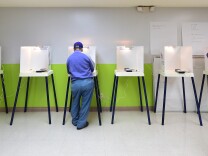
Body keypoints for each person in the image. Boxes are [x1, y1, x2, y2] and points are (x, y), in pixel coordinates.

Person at [66, 42, 94, 130]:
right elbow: (92, 69)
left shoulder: (69, 58)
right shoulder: (86, 56)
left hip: (75, 84)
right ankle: (81, 124)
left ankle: (75, 121)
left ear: (74, 48)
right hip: (87, 83)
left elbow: (69, 71)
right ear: (82, 49)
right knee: (85, 103)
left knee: (75, 102)